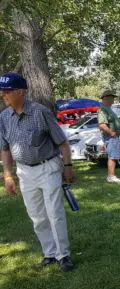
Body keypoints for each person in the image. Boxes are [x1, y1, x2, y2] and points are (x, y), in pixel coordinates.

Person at [0, 72, 76, 272]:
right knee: (37, 216)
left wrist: (67, 167)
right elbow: (5, 149)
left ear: (20, 92)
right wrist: (8, 175)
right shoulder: (4, 117)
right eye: (2, 92)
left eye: (7, 91)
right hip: (24, 171)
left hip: (48, 167)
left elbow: (63, 142)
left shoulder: (40, 112)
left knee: (55, 213)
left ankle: (63, 255)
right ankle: (49, 253)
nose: (3, 95)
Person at [97, 90, 120, 184]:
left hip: (113, 136)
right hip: (110, 136)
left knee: (114, 155)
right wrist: (111, 132)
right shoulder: (103, 110)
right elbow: (102, 124)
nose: (113, 99)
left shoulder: (108, 108)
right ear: (106, 98)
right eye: (112, 97)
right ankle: (111, 176)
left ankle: (112, 175)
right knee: (112, 156)